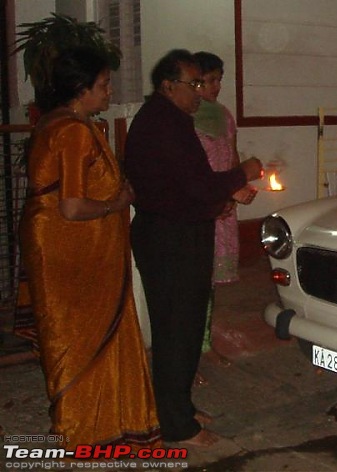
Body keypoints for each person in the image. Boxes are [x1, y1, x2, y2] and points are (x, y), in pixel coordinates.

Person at [19, 47, 161, 449]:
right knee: (80, 337)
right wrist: (116, 204)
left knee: (87, 332)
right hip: (72, 248)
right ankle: (83, 426)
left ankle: (112, 417)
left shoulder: (59, 122)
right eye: (103, 85)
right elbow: (72, 205)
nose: (110, 91)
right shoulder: (73, 132)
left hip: (74, 244)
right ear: (81, 90)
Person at [124, 49, 262, 446]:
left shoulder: (170, 119)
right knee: (177, 332)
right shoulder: (163, 123)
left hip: (178, 231)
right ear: (168, 85)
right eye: (193, 84)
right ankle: (177, 426)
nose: (200, 92)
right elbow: (196, 184)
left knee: (182, 328)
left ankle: (177, 408)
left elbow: (187, 186)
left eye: (203, 83)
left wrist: (222, 199)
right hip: (171, 240)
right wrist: (243, 173)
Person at [192, 51, 254, 366]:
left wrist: (236, 190)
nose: (214, 87)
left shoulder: (225, 115)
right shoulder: (186, 117)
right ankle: (194, 350)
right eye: (208, 80)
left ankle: (204, 343)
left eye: (218, 79)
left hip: (224, 205)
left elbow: (231, 155)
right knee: (194, 281)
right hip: (199, 207)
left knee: (209, 284)